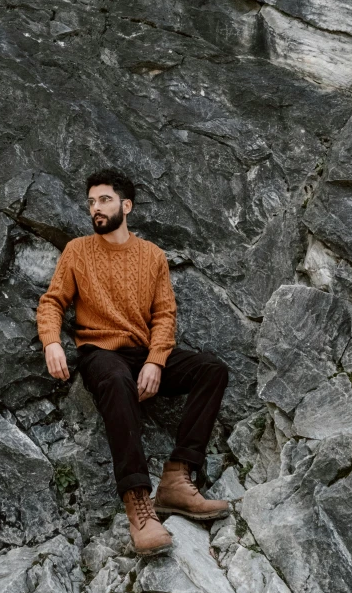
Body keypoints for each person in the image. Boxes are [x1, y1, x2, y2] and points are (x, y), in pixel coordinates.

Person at [36, 168, 230, 556]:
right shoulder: (77, 251)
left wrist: (156, 361)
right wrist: (51, 343)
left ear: (127, 205)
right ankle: (138, 504)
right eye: (91, 201)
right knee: (115, 379)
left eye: (104, 199)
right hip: (100, 353)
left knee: (213, 369)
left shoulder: (152, 256)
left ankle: (177, 478)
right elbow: (52, 302)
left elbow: (164, 316)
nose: (96, 208)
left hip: (143, 353)